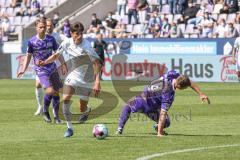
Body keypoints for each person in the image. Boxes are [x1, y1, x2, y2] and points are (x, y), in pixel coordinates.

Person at [38, 22, 101, 138]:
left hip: (87, 79)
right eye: (77, 34)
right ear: (71, 33)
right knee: (66, 98)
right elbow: (56, 55)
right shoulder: (67, 42)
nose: (80, 36)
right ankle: (69, 128)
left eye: (81, 33)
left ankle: (87, 110)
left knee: (82, 107)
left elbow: (97, 63)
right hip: (73, 76)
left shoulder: (87, 46)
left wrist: (97, 82)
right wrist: (45, 62)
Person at [116, 70, 210, 137]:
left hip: (142, 97)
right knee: (166, 121)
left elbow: (188, 82)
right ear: (179, 86)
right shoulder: (169, 94)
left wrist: (200, 94)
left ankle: (119, 129)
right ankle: (158, 128)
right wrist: (160, 133)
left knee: (127, 106)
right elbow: (163, 113)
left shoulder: (171, 74)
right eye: (184, 88)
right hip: (150, 108)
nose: (185, 89)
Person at [17, 17, 68, 124]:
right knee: (50, 91)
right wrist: (23, 69)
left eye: (44, 27)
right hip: (41, 70)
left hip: (52, 68)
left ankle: (57, 117)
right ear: (36, 28)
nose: (43, 29)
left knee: (56, 93)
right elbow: (28, 56)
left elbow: (57, 53)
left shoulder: (51, 39)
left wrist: (63, 64)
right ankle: (45, 110)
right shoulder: (32, 41)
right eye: (40, 27)